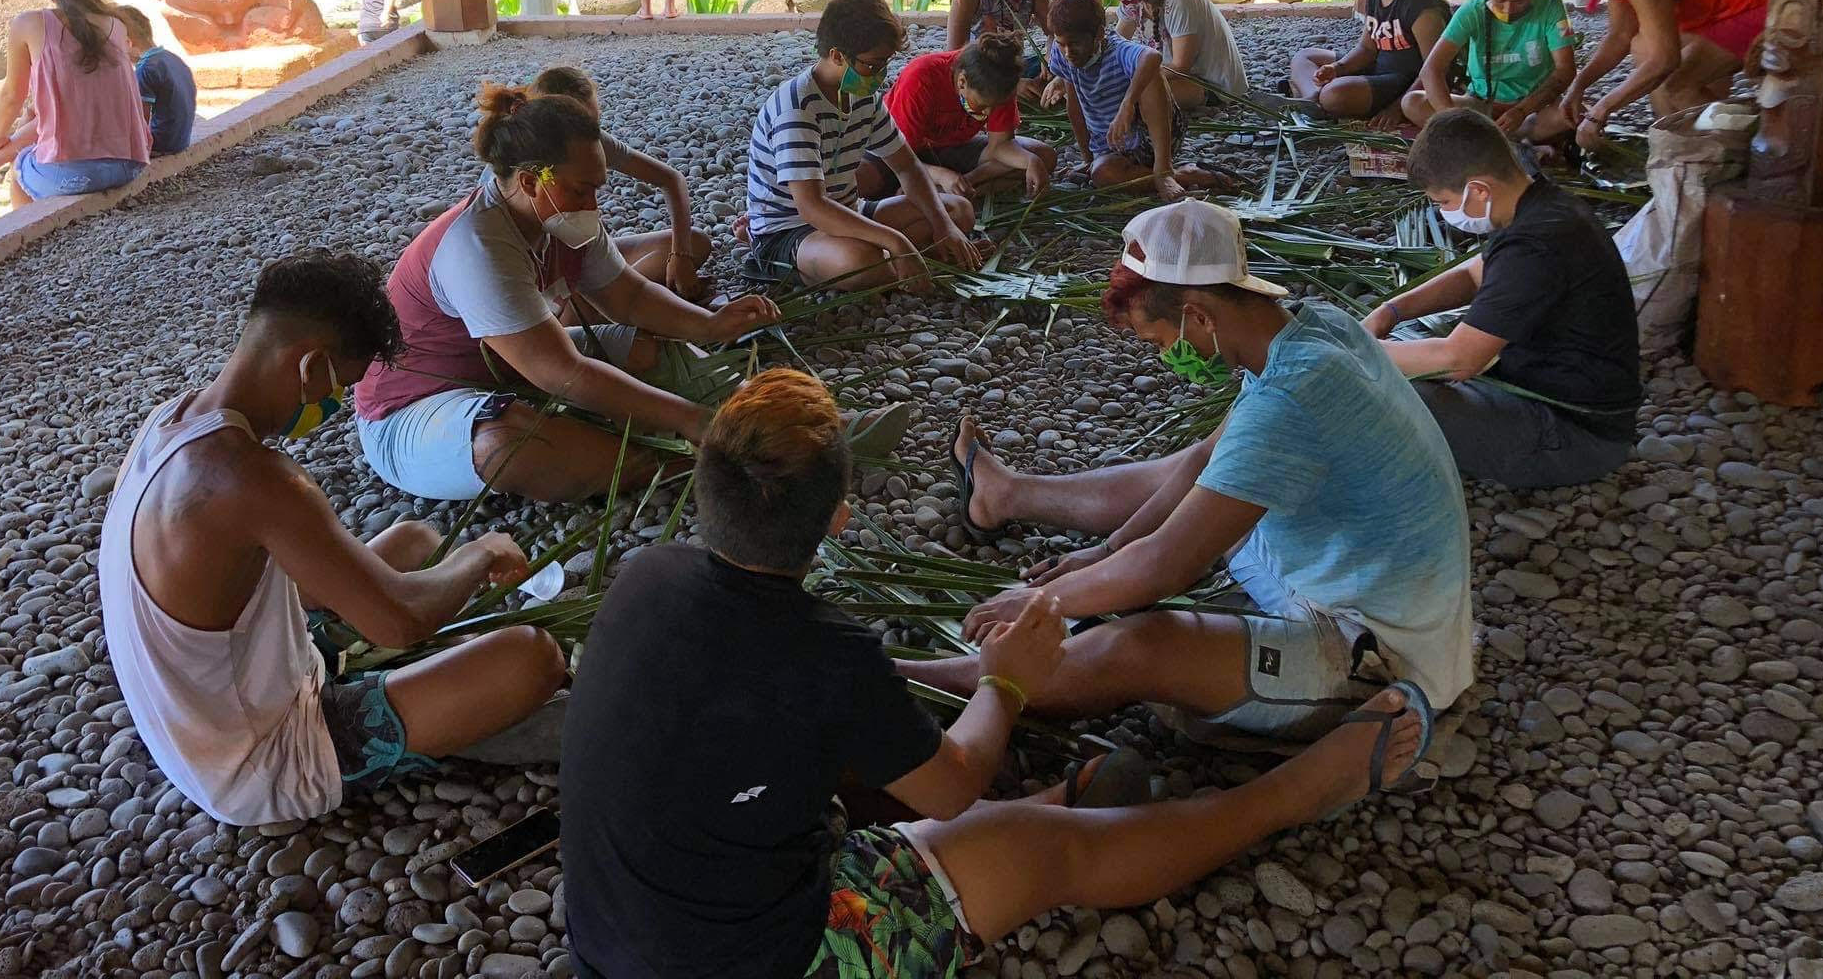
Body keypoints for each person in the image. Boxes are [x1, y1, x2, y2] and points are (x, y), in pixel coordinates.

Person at [560, 367, 1432, 979]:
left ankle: (1052, 802)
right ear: (839, 520)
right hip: (762, 958)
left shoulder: (646, 577)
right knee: (1043, 854)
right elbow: (952, 787)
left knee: (847, 784)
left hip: (613, 944)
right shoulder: (825, 653)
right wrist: (1004, 680)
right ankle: (1288, 794)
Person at [923, 200, 1473, 743]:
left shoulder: (1290, 397)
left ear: (1199, 316)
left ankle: (928, 681)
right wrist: (1108, 550)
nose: (1166, 356)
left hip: (1383, 650)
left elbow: (1165, 566)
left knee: (1140, 646)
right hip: (1336, 566)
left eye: (1160, 341)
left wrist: (1042, 601)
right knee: (1183, 478)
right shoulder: (1312, 327)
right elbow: (1205, 458)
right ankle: (1006, 494)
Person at [100, 252, 568, 827]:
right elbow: (400, 623)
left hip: (206, 717)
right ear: (312, 368)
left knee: (413, 540)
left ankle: (440, 704)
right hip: (261, 764)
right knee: (532, 657)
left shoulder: (169, 421)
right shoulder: (255, 478)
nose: (335, 405)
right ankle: (447, 730)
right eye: (342, 385)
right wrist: (483, 553)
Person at [354, 85, 778, 503]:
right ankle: (678, 465)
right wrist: (689, 418)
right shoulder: (478, 244)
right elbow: (561, 372)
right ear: (530, 182)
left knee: (644, 349)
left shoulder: (561, 217)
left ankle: (756, 414)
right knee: (508, 443)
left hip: (507, 372)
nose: (592, 204)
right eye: (580, 190)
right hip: (412, 410)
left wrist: (710, 325)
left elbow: (628, 298)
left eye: (596, 189)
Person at [1365, 111, 1641, 489]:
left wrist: (1359, 349)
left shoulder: (1535, 245)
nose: (1444, 213)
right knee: (1401, 360)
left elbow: (1459, 360)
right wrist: (1391, 311)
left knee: (1390, 392)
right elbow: (1470, 275)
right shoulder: (1539, 204)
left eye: (1443, 201)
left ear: (1479, 190)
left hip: (1576, 435)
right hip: (1552, 397)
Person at [744, 0, 980, 290]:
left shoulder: (862, 96)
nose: (880, 74)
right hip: (789, 231)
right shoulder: (797, 109)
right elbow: (812, 208)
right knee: (863, 260)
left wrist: (942, 226)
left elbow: (907, 167)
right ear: (837, 56)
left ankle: (907, 260)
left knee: (958, 212)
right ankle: (908, 260)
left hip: (849, 211)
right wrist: (896, 241)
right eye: (873, 65)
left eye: (885, 64)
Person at [1541, 0, 1773, 151]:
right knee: (1644, 49)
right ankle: (1682, 142)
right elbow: (1620, 36)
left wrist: (1601, 110)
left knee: (1678, 84)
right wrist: (1578, 86)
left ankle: (1744, 150)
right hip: (1735, 3)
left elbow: (1665, 60)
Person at [533, 63, 713, 298]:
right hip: (541, 277)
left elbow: (671, 179)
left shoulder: (592, 141)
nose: (590, 136)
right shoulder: (524, 164)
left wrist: (680, 255)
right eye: (581, 128)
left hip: (586, 256)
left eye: (594, 125)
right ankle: (616, 302)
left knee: (695, 242)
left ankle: (622, 298)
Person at [0, 0, 149, 206]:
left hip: (72, 174)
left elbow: (12, 96)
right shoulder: (118, 26)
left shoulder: (28, 23)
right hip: (129, 166)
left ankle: (30, 231)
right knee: (37, 128)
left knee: (20, 167)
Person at [1044, 0, 1203, 199]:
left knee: (1150, 74)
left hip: (1150, 140)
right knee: (1102, 174)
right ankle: (1183, 176)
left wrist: (1127, 104)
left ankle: (1163, 169)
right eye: (1061, 44)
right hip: (1113, 146)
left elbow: (1152, 56)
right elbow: (1074, 107)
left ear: (1099, 34)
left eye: (1075, 44)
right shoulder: (1063, 54)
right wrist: (1088, 159)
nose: (1068, 52)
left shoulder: (1117, 49)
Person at [1402, 0, 1573, 144]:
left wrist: (1522, 111)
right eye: (1500, 0)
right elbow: (1431, 70)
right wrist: (1452, 119)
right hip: (1480, 103)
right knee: (1413, 103)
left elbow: (1565, 70)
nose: (1508, 10)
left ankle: (1485, 141)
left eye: (1520, 1)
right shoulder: (1473, 10)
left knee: (1569, 114)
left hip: (1533, 106)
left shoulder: (1550, 5)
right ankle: (1507, 140)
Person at [1288, 0, 1449, 123]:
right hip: (1376, 66)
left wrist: (1397, 108)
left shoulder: (1422, 5)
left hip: (1403, 81)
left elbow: (1435, 68)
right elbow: (1366, 48)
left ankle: (1317, 99)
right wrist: (1336, 68)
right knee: (1304, 57)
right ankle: (1312, 99)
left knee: (1334, 94)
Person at [880, 34, 1056, 198]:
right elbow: (898, 155)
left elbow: (1000, 145)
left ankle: (959, 191)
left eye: (994, 107)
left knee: (1043, 157)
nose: (988, 113)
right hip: (901, 153)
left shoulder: (1000, 84)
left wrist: (1030, 161)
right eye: (982, 105)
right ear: (962, 82)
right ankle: (944, 193)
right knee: (869, 179)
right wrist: (940, 175)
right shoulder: (921, 78)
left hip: (952, 149)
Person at [1110, 0, 1249, 105]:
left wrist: (1136, 79)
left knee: (1136, 95)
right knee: (1116, 91)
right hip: (1170, 76)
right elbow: (1115, 46)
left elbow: (1181, 66)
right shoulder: (1135, 1)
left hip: (1210, 85)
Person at [116, 6, 197, 158]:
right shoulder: (171, 57)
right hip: (181, 140)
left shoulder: (146, 68)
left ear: (128, 43)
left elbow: (141, 121)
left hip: (162, 142)